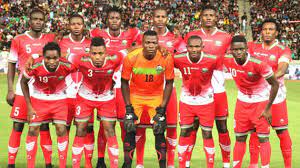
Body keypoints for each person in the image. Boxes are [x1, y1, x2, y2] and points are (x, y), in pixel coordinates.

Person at [90, 6, 142, 167]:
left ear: (121, 20)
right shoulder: (97, 34)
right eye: (111, 18)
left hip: (123, 84)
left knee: (126, 124)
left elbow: (141, 47)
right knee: (105, 124)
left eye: (117, 18)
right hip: (103, 85)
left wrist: (127, 50)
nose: (114, 21)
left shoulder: (131, 34)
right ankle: (100, 160)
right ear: (107, 19)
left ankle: (127, 162)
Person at [135, 6, 186, 168]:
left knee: (170, 127)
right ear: (152, 18)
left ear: (166, 19)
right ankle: (139, 163)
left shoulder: (175, 39)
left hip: (167, 90)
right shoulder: (143, 38)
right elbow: (134, 55)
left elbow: (182, 59)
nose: (160, 19)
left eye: (163, 16)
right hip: (146, 89)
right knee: (141, 127)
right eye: (157, 16)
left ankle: (170, 164)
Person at [6, 8, 56, 168]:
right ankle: (11, 164)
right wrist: (10, 89)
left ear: (44, 21)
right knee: (18, 125)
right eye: (35, 19)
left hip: (42, 92)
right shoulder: (18, 40)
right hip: (22, 90)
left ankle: (48, 164)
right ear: (30, 21)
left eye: (41, 19)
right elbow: (12, 64)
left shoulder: (50, 38)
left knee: (44, 125)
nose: (38, 22)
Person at [184, 5, 232, 168]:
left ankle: (226, 163)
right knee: (193, 127)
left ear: (216, 17)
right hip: (196, 88)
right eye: (206, 15)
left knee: (222, 126)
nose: (209, 18)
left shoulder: (226, 37)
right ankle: (187, 162)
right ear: (201, 17)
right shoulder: (191, 35)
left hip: (218, 88)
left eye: (212, 15)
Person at [224, 35, 279, 168]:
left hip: (260, 103)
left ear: (246, 49)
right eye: (235, 50)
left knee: (263, 138)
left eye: (241, 49)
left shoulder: (259, 64)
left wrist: (268, 108)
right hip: (242, 103)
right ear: (230, 50)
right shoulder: (227, 61)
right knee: (240, 137)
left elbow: (275, 84)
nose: (238, 52)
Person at [121, 30, 174, 168]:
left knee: (159, 127)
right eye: (148, 42)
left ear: (158, 44)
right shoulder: (131, 57)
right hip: (136, 96)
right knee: (129, 126)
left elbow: (169, 83)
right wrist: (128, 107)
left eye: (154, 43)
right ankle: (127, 165)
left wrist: (162, 107)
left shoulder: (165, 57)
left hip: (156, 96)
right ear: (142, 43)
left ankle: (163, 166)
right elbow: (124, 82)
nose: (151, 45)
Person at [21, 42, 76, 168]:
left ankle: (62, 165)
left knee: (61, 129)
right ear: (43, 58)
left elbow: (82, 65)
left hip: (60, 99)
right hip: (39, 99)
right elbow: (23, 82)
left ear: (60, 57)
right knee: (33, 130)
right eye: (48, 58)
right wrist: (29, 106)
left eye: (55, 58)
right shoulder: (35, 66)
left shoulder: (67, 65)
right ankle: (30, 165)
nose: (52, 61)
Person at [248, 19, 292, 168]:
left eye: (271, 29)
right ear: (261, 31)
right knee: (254, 132)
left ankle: (288, 165)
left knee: (282, 132)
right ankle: (253, 165)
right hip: (256, 97)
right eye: (265, 29)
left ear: (277, 32)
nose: (267, 32)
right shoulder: (252, 47)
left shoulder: (283, 49)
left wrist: (263, 76)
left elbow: (281, 70)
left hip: (276, 97)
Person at [71, 37, 121, 168]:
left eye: (100, 53)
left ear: (106, 52)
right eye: (94, 54)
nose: (97, 57)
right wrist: (35, 56)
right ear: (89, 53)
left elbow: (132, 50)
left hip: (106, 99)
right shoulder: (80, 59)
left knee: (110, 130)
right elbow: (60, 54)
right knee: (81, 129)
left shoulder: (115, 58)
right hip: (84, 98)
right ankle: (83, 164)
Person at [175, 35, 222, 168]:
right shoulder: (178, 59)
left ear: (202, 47)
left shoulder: (212, 60)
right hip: (186, 102)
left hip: (206, 103)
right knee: (184, 132)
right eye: (191, 46)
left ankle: (210, 165)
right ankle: (183, 165)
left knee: (207, 133)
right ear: (187, 47)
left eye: (197, 46)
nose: (194, 49)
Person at [59, 13, 93, 167]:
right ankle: (63, 162)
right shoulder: (62, 43)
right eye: (73, 24)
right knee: (64, 128)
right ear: (69, 26)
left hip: (86, 94)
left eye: (79, 24)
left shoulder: (91, 44)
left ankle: (87, 163)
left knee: (86, 128)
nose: (76, 27)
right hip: (66, 93)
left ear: (83, 25)